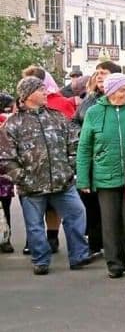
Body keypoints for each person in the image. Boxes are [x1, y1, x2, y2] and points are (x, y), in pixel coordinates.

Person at [0, 77, 92, 274]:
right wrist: (22, 177)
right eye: (40, 90)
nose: (45, 93)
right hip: (31, 186)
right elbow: (6, 158)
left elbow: (74, 143)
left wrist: (70, 167)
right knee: (34, 226)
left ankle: (79, 256)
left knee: (77, 214)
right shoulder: (13, 124)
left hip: (62, 182)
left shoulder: (57, 117)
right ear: (28, 95)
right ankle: (41, 260)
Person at [77, 73, 125, 279]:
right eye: (123, 90)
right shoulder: (94, 112)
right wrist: (83, 178)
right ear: (111, 91)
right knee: (110, 222)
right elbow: (84, 147)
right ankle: (114, 264)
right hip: (105, 176)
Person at [0, 93, 15, 253]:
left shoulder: (5, 122)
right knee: (5, 207)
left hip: (3, 174)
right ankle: (5, 239)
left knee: (4, 206)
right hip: (4, 174)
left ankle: (5, 238)